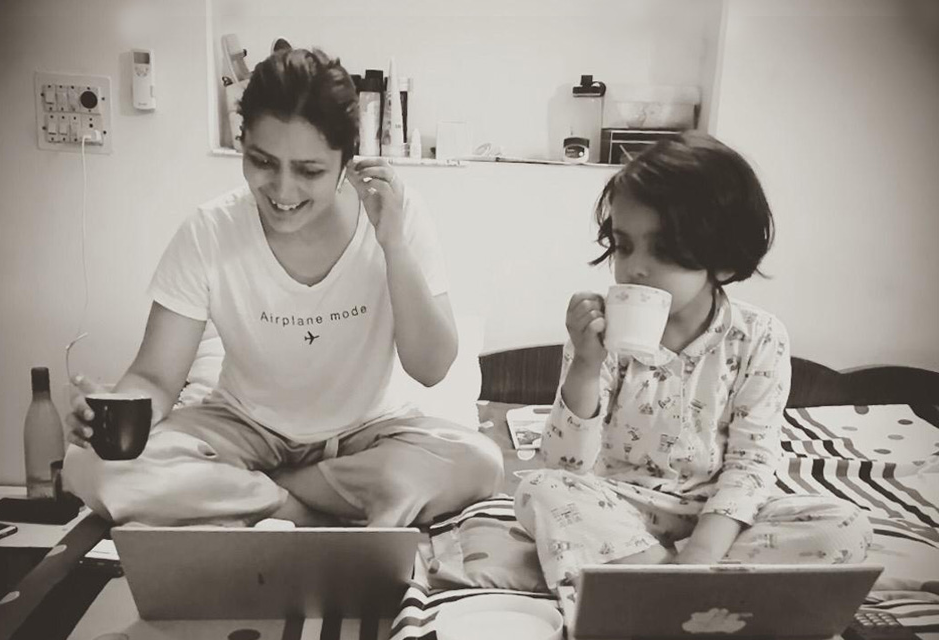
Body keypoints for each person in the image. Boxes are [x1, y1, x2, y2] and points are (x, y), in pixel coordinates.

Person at [62, 43, 503, 527]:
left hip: (369, 435)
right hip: (244, 428)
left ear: (346, 162)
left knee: (478, 463)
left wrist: (393, 245)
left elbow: (432, 367)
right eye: (263, 162)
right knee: (90, 466)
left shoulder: (398, 215)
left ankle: (262, 496)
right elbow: (156, 378)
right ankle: (304, 511)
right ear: (242, 142)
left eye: (309, 170)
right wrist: (115, 415)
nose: (283, 190)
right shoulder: (210, 230)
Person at [514, 131, 872, 593]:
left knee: (843, 526)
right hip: (620, 505)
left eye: (662, 250)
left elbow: (752, 461)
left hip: (721, 515)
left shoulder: (759, 337)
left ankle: (658, 582)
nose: (634, 268)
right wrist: (585, 364)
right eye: (624, 245)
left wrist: (703, 551)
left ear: (723, 262)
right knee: (539, 491)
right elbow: (566, 467)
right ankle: (676, 584)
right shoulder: (600, 337)